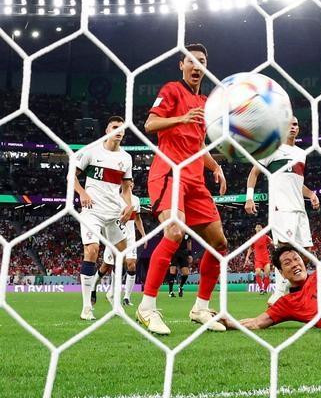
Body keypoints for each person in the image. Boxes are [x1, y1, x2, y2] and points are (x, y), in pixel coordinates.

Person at [137, 43, 229, 335]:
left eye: (202, 61)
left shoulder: (204, 102)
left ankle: (201, 307)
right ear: (182, 65)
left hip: (195, 181)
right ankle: (147, 307)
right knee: (174, 232)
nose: (197, 66)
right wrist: (181, 117)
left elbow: (198, 145)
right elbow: (150, 124)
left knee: (220, 244)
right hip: (168, 173)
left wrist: (215, 167)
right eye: (192, 61)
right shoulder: (172, 90)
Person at [244, 116, 320, 304]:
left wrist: (310, 194)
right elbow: (254, 172)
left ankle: (289, 286)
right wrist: (249, 197)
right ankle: (279, 291)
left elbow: (297, 182)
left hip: (300, 209)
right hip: (281, 208)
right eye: (288, 125)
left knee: (307, 251)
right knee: (284, 250)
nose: (292, 127)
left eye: (295, 124)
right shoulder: (272, 150)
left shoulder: (302, 153)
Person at [73, 116, 134, 320]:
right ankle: (86, 307)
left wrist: (128, 205)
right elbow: (71, 175)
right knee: (92, 250)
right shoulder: (91, 151)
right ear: (107, 130)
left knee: (122, 256)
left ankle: (113, 298)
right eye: (115, 127)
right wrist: (82, 192)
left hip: (113, 213)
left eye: (122, 128)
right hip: (92, 211)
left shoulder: (126, 158)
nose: (119, 130)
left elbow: (126, 188)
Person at [93, 181, 145, 306]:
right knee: (106, 267)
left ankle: (126, 297)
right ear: (122, 184)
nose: (131, 183)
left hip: (130, 238)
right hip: (115, 237)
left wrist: (143, 235)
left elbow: (138, 219)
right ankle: (93, 287)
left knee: (131, 265)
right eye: (128, 181)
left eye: (132, 181)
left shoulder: (136, 200)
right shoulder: (115, 198)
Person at [243, 225, 272, 294]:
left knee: (267, 274)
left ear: (262, 229)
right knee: (258, 272)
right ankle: (261, 288)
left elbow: (272, 242)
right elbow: (250, 248)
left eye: (260, 227)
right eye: (257, 227)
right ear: (255, 229)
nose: (259, 228)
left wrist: (276, 244)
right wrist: (247, 258)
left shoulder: (266, 237)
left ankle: (265, 289)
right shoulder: (253, 238)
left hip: (266, 259)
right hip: (258, 259)